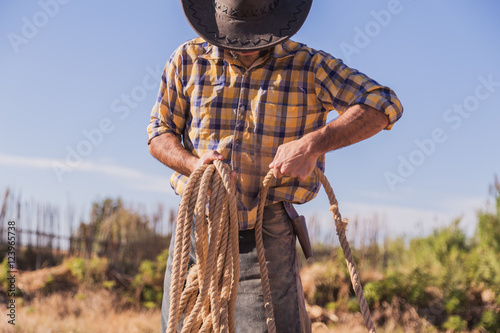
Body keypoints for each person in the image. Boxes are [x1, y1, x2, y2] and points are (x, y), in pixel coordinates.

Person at [147, 0, 403, 332]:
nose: (245, 46)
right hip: (198, 230)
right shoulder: (186, 60)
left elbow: (383, 104)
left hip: (267, 233)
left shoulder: (309, 66)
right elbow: (159, 133)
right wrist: (194, 165)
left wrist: (313, 144)